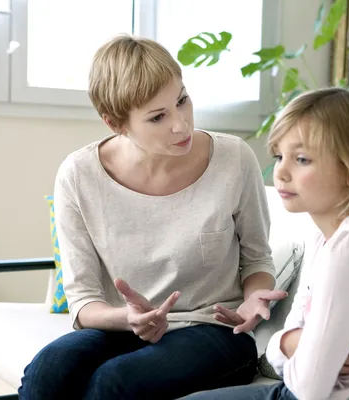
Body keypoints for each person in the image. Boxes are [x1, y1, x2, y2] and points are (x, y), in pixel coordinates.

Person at [18, 35, 288, 400]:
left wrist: (255, 298)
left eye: (182, 100)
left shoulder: (234, 159)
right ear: (116, 123)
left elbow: (257, 257)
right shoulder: (79, 175)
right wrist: (128, 319)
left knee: (114, 382)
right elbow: (84, 302)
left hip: (213, 330)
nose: (181, 124)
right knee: (46, 372)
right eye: (158, 117)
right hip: (123, 328)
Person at [184, 87, 349, 400]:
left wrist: (288, 344)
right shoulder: (328, 238)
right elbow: (283, 349)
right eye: (280, 156)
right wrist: (289, 343)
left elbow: (308, 389)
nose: (280, 171)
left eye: (302, 159)